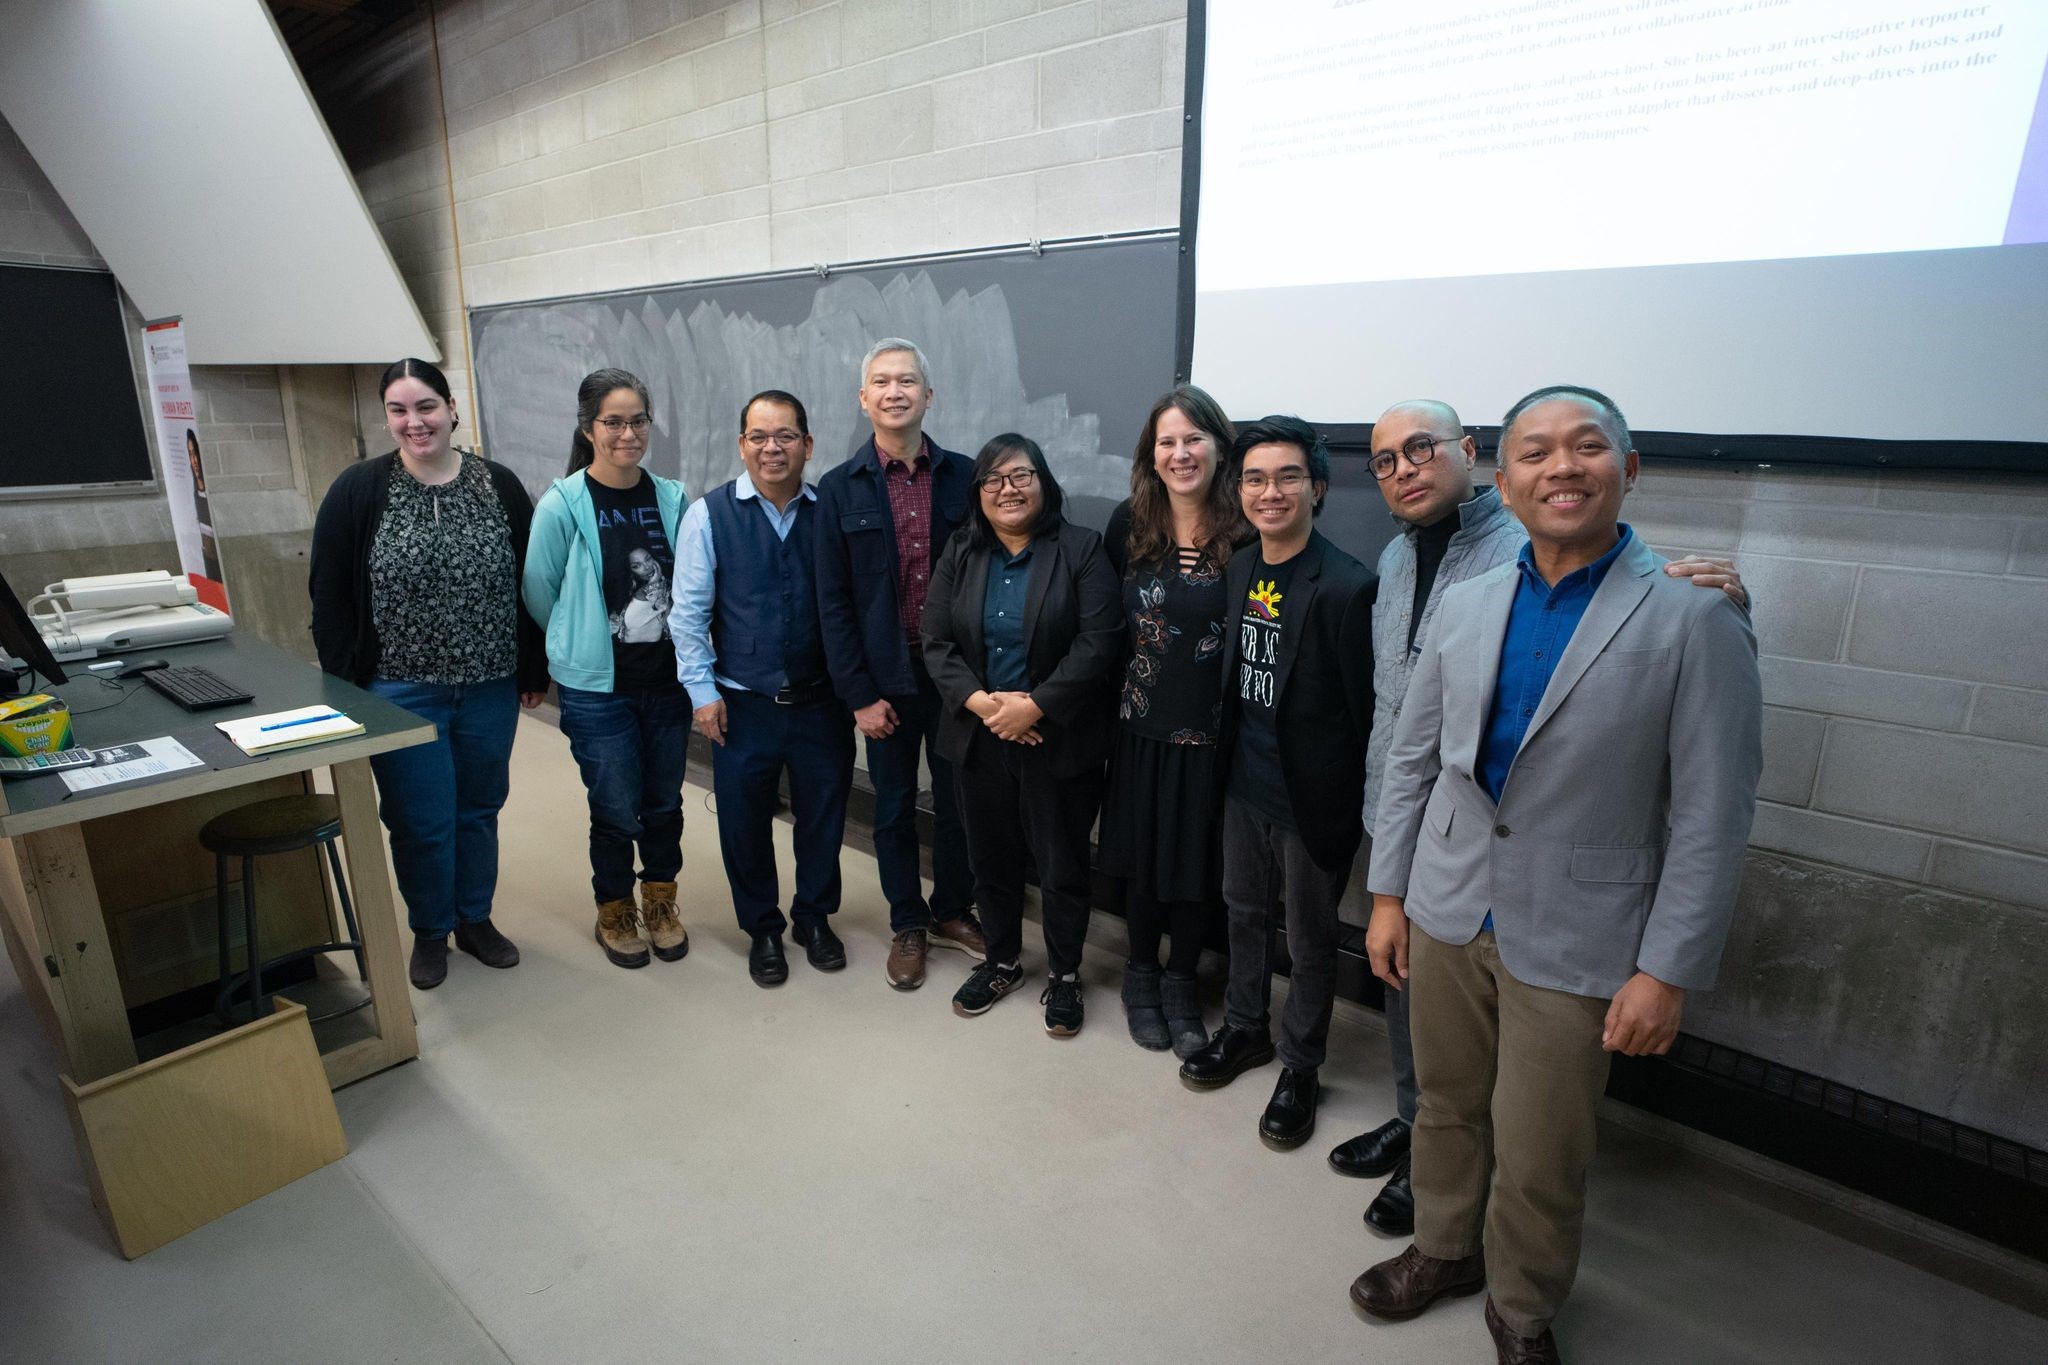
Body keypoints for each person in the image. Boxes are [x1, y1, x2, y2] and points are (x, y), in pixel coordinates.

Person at [1350, 386, 1763, 1364]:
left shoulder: (1690, 616)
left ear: (1628, 470)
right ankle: (1444, 1249)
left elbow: (1713, 813)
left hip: (1580, 931)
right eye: (1534, 452)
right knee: (1444, 1107)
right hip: (1447, 908)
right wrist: (1386, 895)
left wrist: (1664, 971)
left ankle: (1521, 1306)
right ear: (1505, 479)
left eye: (1586, 447)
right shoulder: (1465, 599)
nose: (1560, 467)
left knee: (1541, 1148)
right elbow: (1411, 761)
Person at [308, 357, 546, 990]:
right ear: (388, 417)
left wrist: (532, 665)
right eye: (398, 410)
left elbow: (530, 583)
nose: (415, 422)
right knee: (420, 818)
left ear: (450, 408)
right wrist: (343, 687)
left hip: (490, 683)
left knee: (479, 809)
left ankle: (475, 919)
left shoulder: (498, 484)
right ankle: (431, 930)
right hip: (400, 688)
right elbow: (328, 594)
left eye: (426, 406)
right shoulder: (359, 490)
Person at [1178, 416, 1376, 1155]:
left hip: (1311, 797)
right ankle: (1245, 1028)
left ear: (1316, 488)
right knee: (1241, 910)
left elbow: (1363, 714)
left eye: (1288, 476)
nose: (1270, 491)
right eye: (1255, 478)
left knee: (1314, 936)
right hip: (1242, 780)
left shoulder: (1348, 587)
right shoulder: (1237, 569)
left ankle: (1301, 1065)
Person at [922, 434, 1122, 1034]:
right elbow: (936, 641)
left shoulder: (1081, 549)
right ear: (978, 493)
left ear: (1044, 482)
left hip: (1058, 740)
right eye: (993, 480)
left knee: (1061, 865)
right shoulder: (962, 551)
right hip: (980, 739)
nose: (1007, 490)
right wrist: (989, 708)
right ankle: (1002, 959)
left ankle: (1064, 975)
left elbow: (1100, 642)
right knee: (991, 859)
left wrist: (1034, 707)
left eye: (1021, 476)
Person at [814, 338, 988, 989]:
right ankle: (907, 921)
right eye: (882, 382)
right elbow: (832, 601)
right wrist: (857, 692)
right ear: (865, 399)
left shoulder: (966, 477)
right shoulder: (838, 488)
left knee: (957, 801)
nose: (895, 391)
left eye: (907, 381)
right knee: (890, 806)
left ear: (927, 395)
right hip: (883, 680)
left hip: (954, 681)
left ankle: (951, 909)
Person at [670, 390, 854, 987]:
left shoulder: (833, 512)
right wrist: (701, 692)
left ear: (808, 443)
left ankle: (814, 917)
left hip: (820, 701)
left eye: (786, 436)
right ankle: (764, 929)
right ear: (742, 445)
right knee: (743, 824)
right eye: (759, 436)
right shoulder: (708, 515)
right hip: (741, 704)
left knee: (824, 818)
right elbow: (687, 614)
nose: (772, 448)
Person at [522, 368, 691, 971]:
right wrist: (576, 642)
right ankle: (615, 909)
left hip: (668, 682)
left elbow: (688, 587)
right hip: (598, 688)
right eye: (614, 422)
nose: (628, 433)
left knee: (665, 802)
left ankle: (662, 902)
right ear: (589, 428)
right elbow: (539, 592)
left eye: (638, 420)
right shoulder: (564, 503)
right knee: (617, 806)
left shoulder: (672, 498)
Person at [1099, 385, 1248, 1056]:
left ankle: (1182, 979)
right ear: (1150, 453)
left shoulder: (1248, 529)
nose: (1181, 452)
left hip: (1215, 735)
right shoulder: (1126, 526)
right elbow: (1102, 629)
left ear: (1219, 447)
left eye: (1194, 439)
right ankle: (1139, 973)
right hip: (1138, 727)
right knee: (1141, 860)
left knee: (1197, 862)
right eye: (1168, 440)